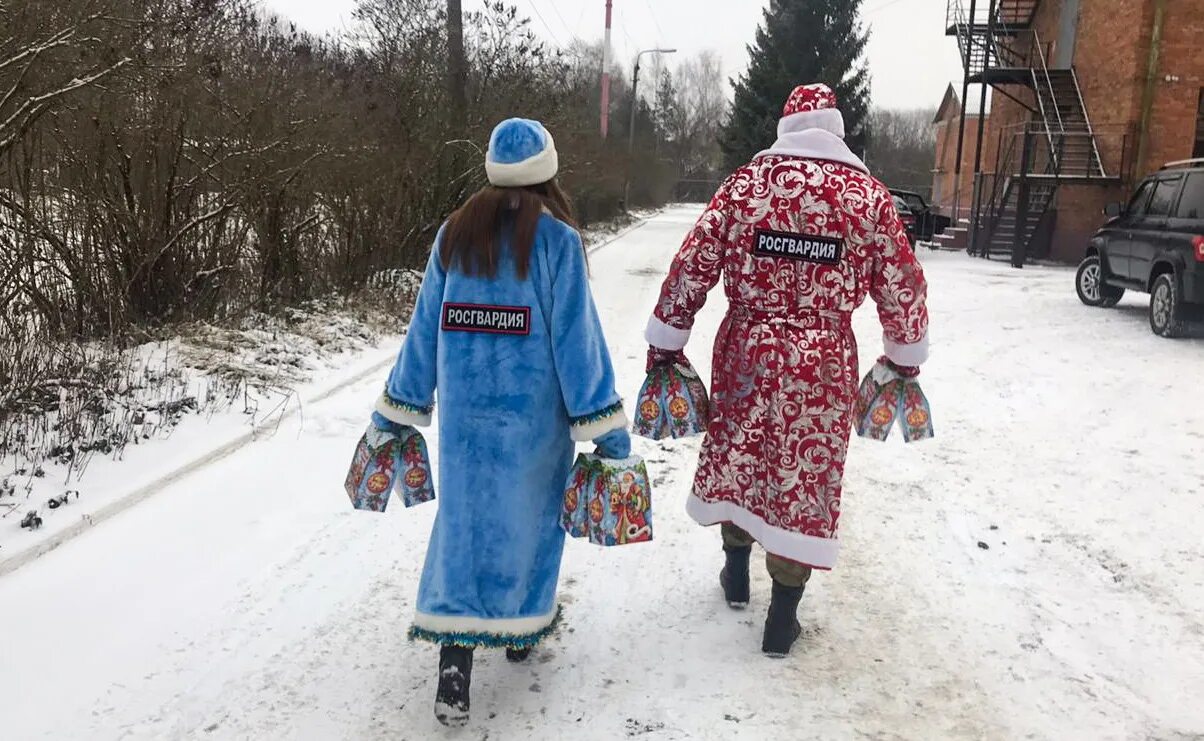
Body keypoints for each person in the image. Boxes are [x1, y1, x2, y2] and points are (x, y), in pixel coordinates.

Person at [644, 83, 930, 657]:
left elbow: (693, 263)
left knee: (740, 450)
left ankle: (735, 573)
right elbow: (903, 284)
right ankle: (783, 615)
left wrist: (667, 343)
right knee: (804, 474)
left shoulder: (745, 187)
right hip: (823, 361)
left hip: (747, 344)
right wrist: (904, 354)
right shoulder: (868, 198)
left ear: (786, 128)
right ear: (837, 131)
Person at [370, 118, 630, 726]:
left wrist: (399, 407)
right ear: (549, 173)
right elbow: (578, 347)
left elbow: (423, 333)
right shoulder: (558, 243)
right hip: (533, 426)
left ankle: (454, 670)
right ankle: (518, 635)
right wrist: (606, 431)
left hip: (465, 426)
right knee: (530, 527)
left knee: (464, 529)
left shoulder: (453, 237)